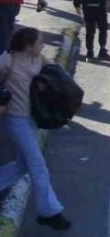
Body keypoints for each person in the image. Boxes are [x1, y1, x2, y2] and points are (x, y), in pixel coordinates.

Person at [0, 28, 71, 231]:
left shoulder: (39, 59)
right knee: (38, 164)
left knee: (23, 165)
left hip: (32, 119)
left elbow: (58, 73)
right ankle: (49, 212)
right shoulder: (8, 61)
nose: (42, 46)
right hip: (15, 120)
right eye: (39, 43)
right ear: (27, 45)